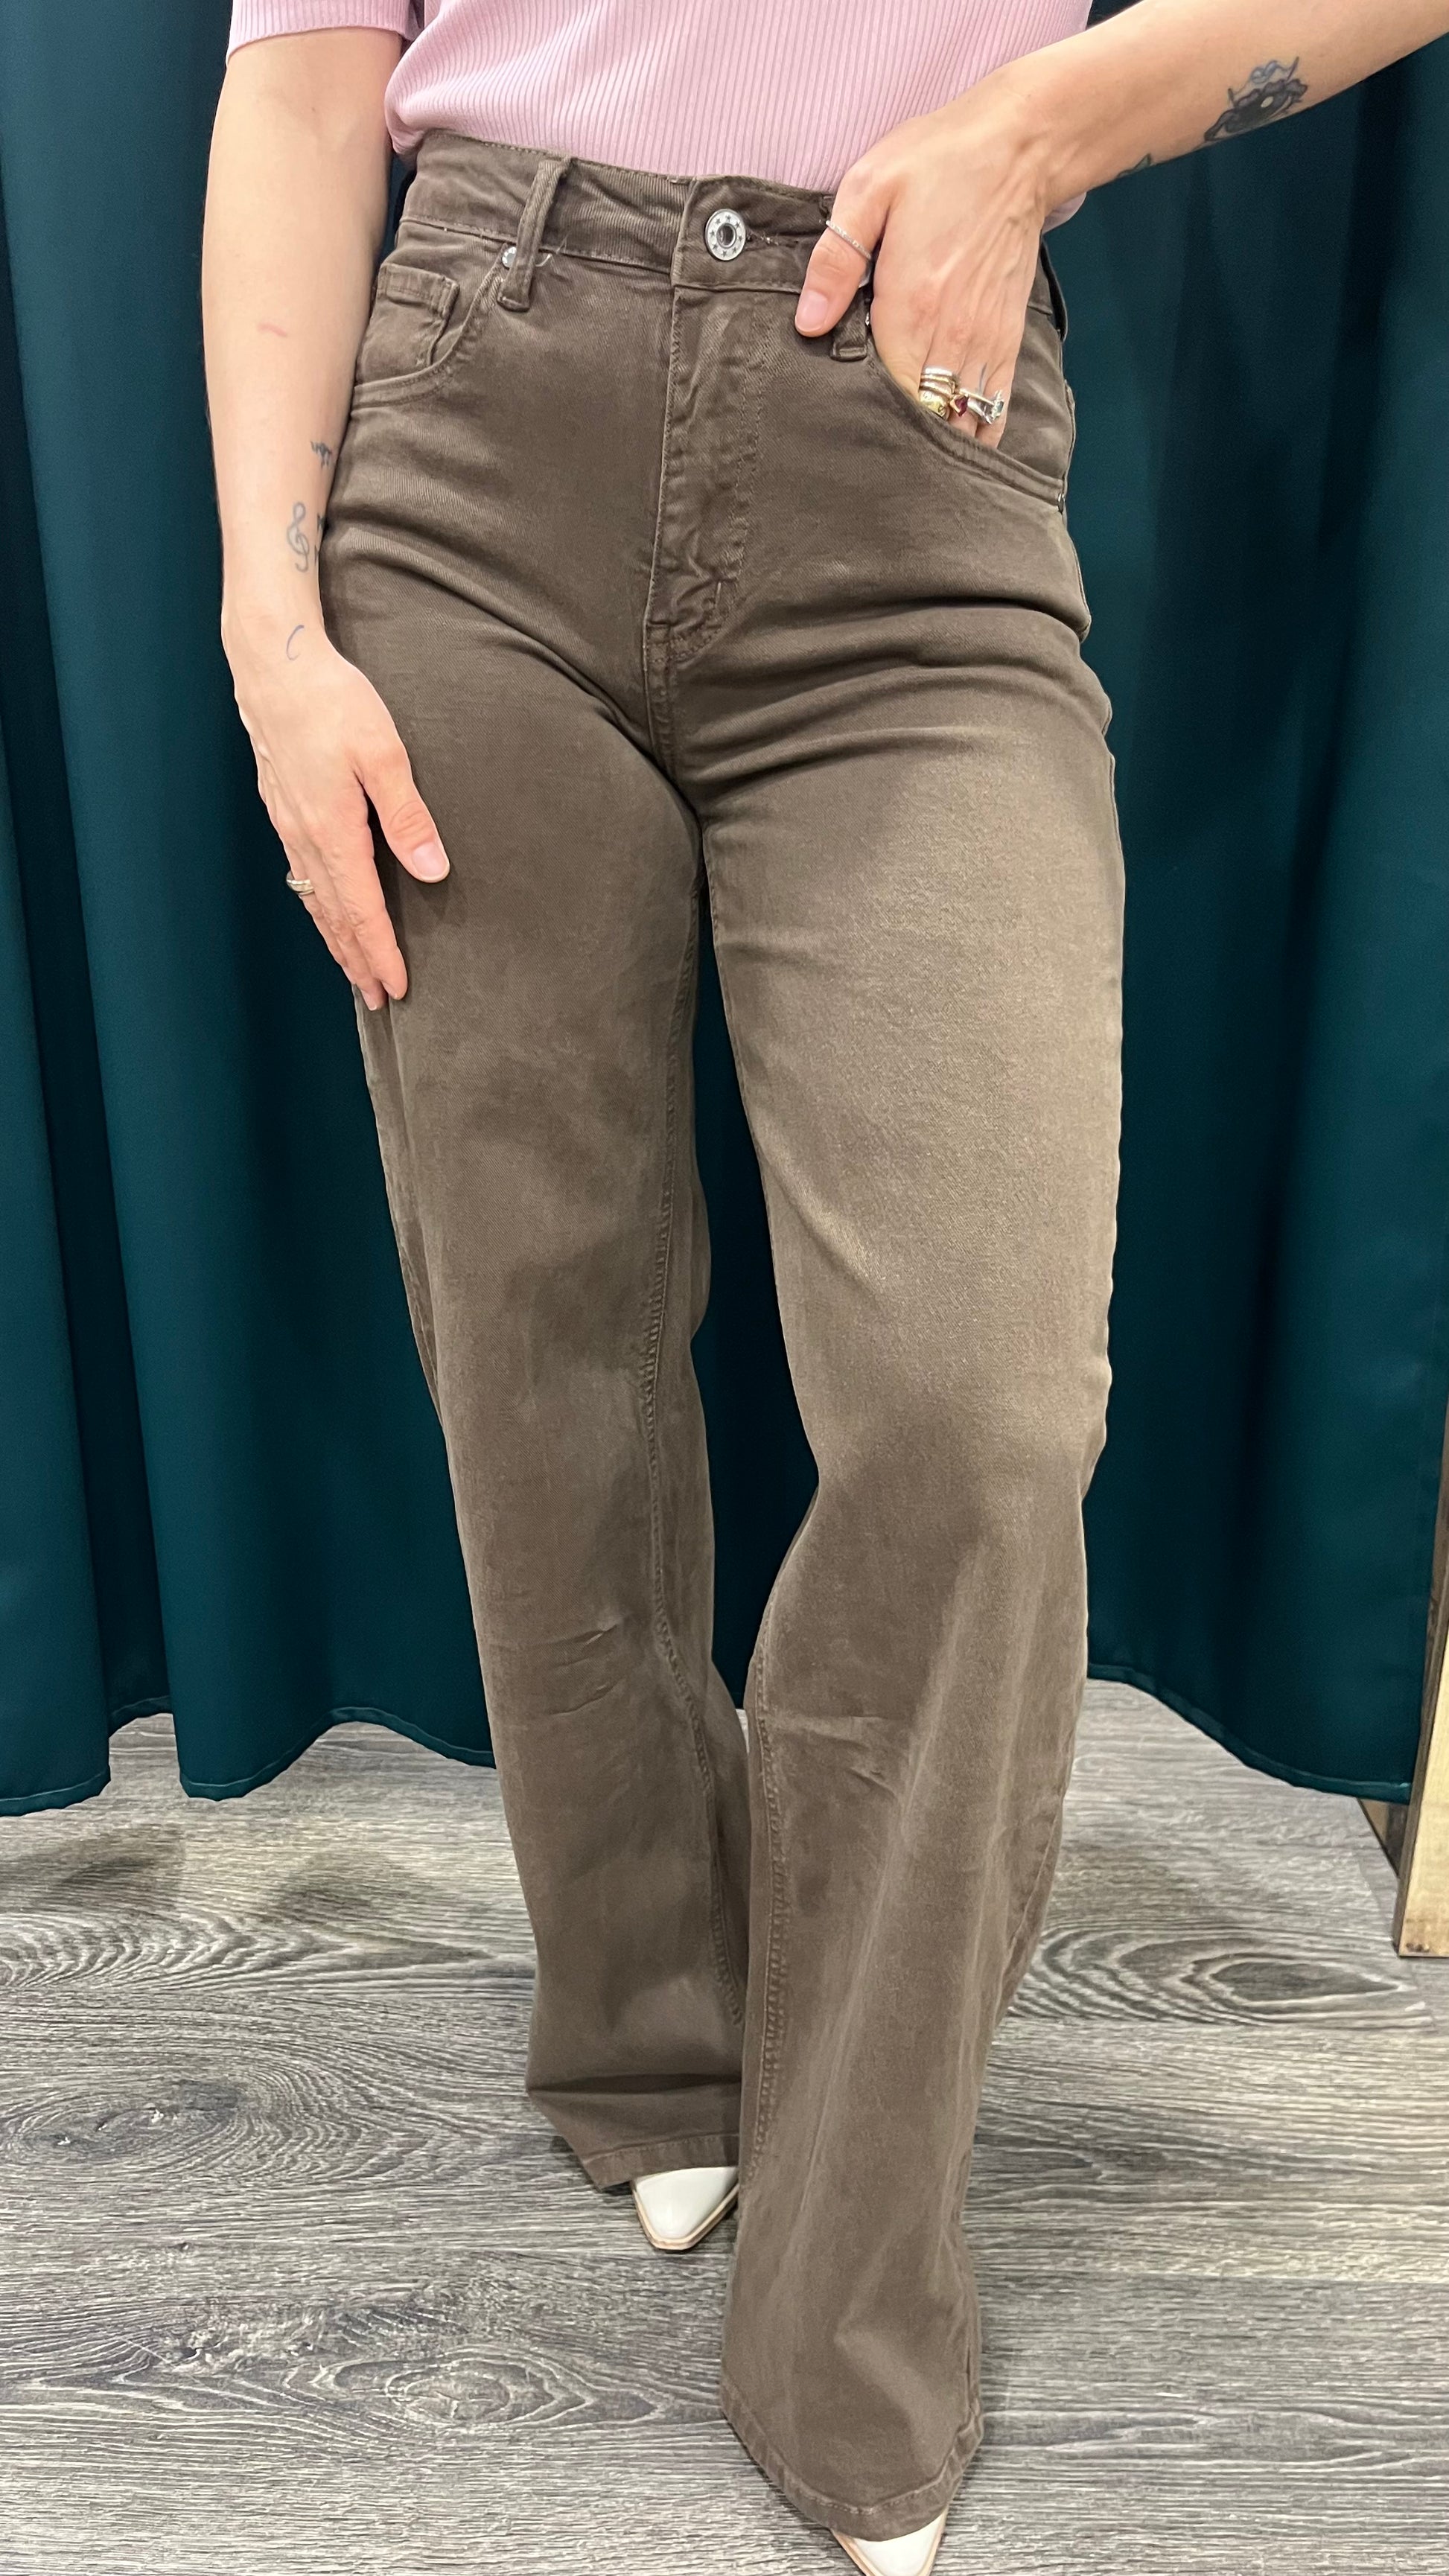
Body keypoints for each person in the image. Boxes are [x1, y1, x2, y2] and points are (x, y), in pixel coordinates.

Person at [201, 5, 1448, 2569]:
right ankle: (652, 2036)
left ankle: (851, 2294)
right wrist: (267, 626)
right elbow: (306, 78)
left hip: (912, 450)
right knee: (536, 1349)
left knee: (980, 1416)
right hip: (468, 434)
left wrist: (1036, 127)